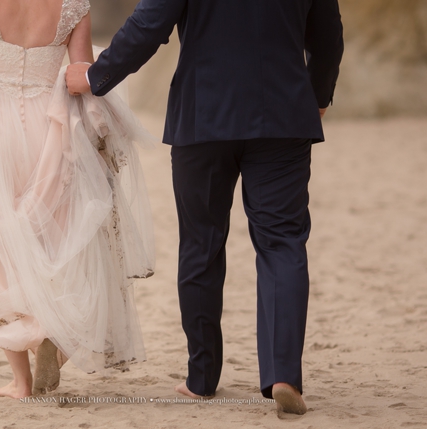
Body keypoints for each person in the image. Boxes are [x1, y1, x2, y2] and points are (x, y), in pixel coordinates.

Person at [66, 0, 344, 415]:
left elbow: (150, 25)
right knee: (282, 243)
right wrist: (317, 95)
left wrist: (95, 75)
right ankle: (284, 374)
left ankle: (202, 379)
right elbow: (328, 38)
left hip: (204, 116)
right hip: (283, 117)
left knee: (201, 244)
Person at [0, 0, 157, 399]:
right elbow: (80, 75)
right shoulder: (73, 5)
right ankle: (50, 330)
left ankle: (21, 380)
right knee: (50, 238)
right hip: (48, 127)